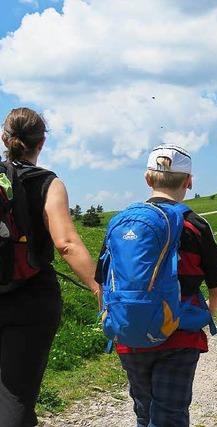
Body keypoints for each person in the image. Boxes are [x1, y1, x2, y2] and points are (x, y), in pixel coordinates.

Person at [95, 144, 217, 427]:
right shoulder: (196, 226)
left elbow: (102, 282)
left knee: (144, 413)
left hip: (130, 336)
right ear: (189, 182)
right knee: (171, 415)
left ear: (147, 179)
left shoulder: (121, 224)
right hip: (180, 336)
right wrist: (205, 313)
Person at [0, 107, 100, 427]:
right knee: (17, 394)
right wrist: (98, 288)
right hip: (32, 299)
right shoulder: (49, 183)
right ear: (41, 143)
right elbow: (66, 242)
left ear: (5, 139)